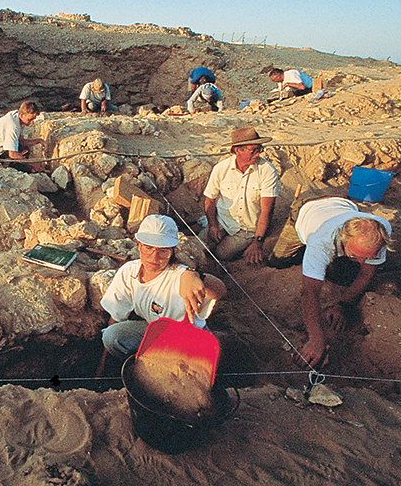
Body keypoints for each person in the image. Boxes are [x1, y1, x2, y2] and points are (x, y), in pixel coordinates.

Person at [268, 196, 392, 369]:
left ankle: (321, 263)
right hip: (305, 212)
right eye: (356, 256)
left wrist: (343, 305)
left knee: (343, 275)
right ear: (343, 239)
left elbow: (365, 274)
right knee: (278, 261)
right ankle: (305, 252)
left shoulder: (382, 228)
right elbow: (309, 293)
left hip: (342, 205)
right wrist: (317, 339)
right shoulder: (321, 242)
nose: (363, 262)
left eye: (369, 257)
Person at [100, 214, 227, 359]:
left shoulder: (181, 277)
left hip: (188, 339)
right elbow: (115, 317)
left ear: (172, 251)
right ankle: (141, 361)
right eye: (148, 248)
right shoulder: (129, 272)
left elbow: (220, 291)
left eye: (163, 250)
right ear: (139, 245)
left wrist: (197, 276)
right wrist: (102, 364)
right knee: (111, 336)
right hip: (156, 332)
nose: (154, 257)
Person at [202, 127, 279, 263]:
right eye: (253, 150)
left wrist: (258, 241)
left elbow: (267, 211)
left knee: (222, 255)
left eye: (259, 149)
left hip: (247, 229)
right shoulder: (221, 169)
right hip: (223, 221)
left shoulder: (267, 171)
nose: (257, 154)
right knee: (200, 247)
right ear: (238, 150)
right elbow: (210, 199)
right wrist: (213, 225)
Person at [0, 100, 48, 172]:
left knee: (24, 149)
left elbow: (21, 141)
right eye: (30, 119)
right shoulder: (12, 126)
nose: (32, 122)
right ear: (22, 115)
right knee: (21, 163)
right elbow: (13, 154)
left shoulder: (19, 118)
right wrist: (33, 165)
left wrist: (39, 141)